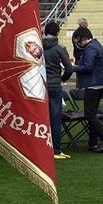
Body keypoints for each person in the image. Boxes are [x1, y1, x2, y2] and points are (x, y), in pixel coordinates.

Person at [72, 26, 103, 153]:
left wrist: (73, 67)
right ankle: (93, 143)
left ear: (84, 38)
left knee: (90, 115)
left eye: (78, 40)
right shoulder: (97, 45)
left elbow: (87, 68)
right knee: (93, 114)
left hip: (93, 84)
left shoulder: (90, 48)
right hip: (100, 83)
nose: (78, 43)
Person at [43, 21, 74, 159]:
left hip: (39, 85)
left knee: (40, 118)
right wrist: (62, 79)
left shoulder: (37, 47)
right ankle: (56, 150)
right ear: (57, 32)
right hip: (55, 85)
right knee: (55, 119)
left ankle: (40, 148)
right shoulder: (60, 48)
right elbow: (69, 68)